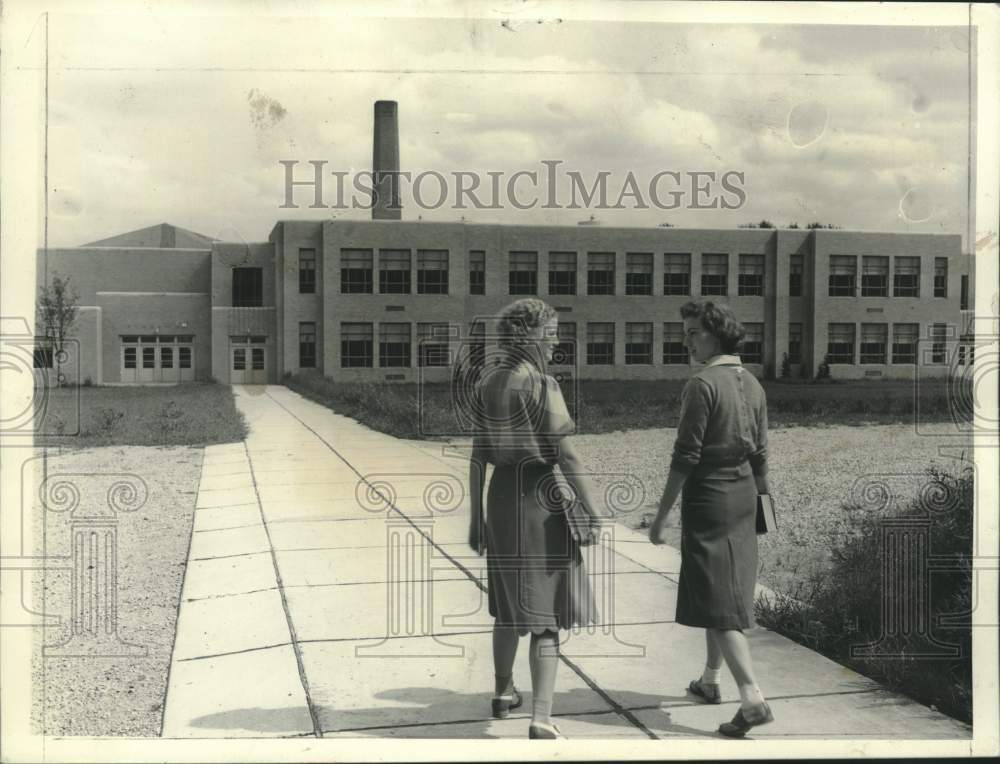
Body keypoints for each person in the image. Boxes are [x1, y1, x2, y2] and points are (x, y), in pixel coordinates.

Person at [467, 298, 603, 740]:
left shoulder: (488, 384)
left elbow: (476, 457)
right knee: (544, 618)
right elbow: (567, 454)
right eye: (551, 331)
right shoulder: (543, 386)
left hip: (500, 496)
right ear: (529, 335)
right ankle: (542, 717)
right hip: (539, 498)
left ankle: (503, 692)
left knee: (507, 607)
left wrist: (474, 518)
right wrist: (593, 509)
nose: (556, 339)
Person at [648, 299, 774, 738]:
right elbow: (760, 455)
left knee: (719, 603)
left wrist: (660, 516)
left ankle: (752, 697)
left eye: (694, 332)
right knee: (724, 591)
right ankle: (709, 680)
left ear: (716, 334)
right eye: (685, 332)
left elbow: (685, 457)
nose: (687, 340)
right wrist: (766, 510)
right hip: (742, 497)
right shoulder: (753, 384)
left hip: (710, 499)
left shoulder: (702, 384)